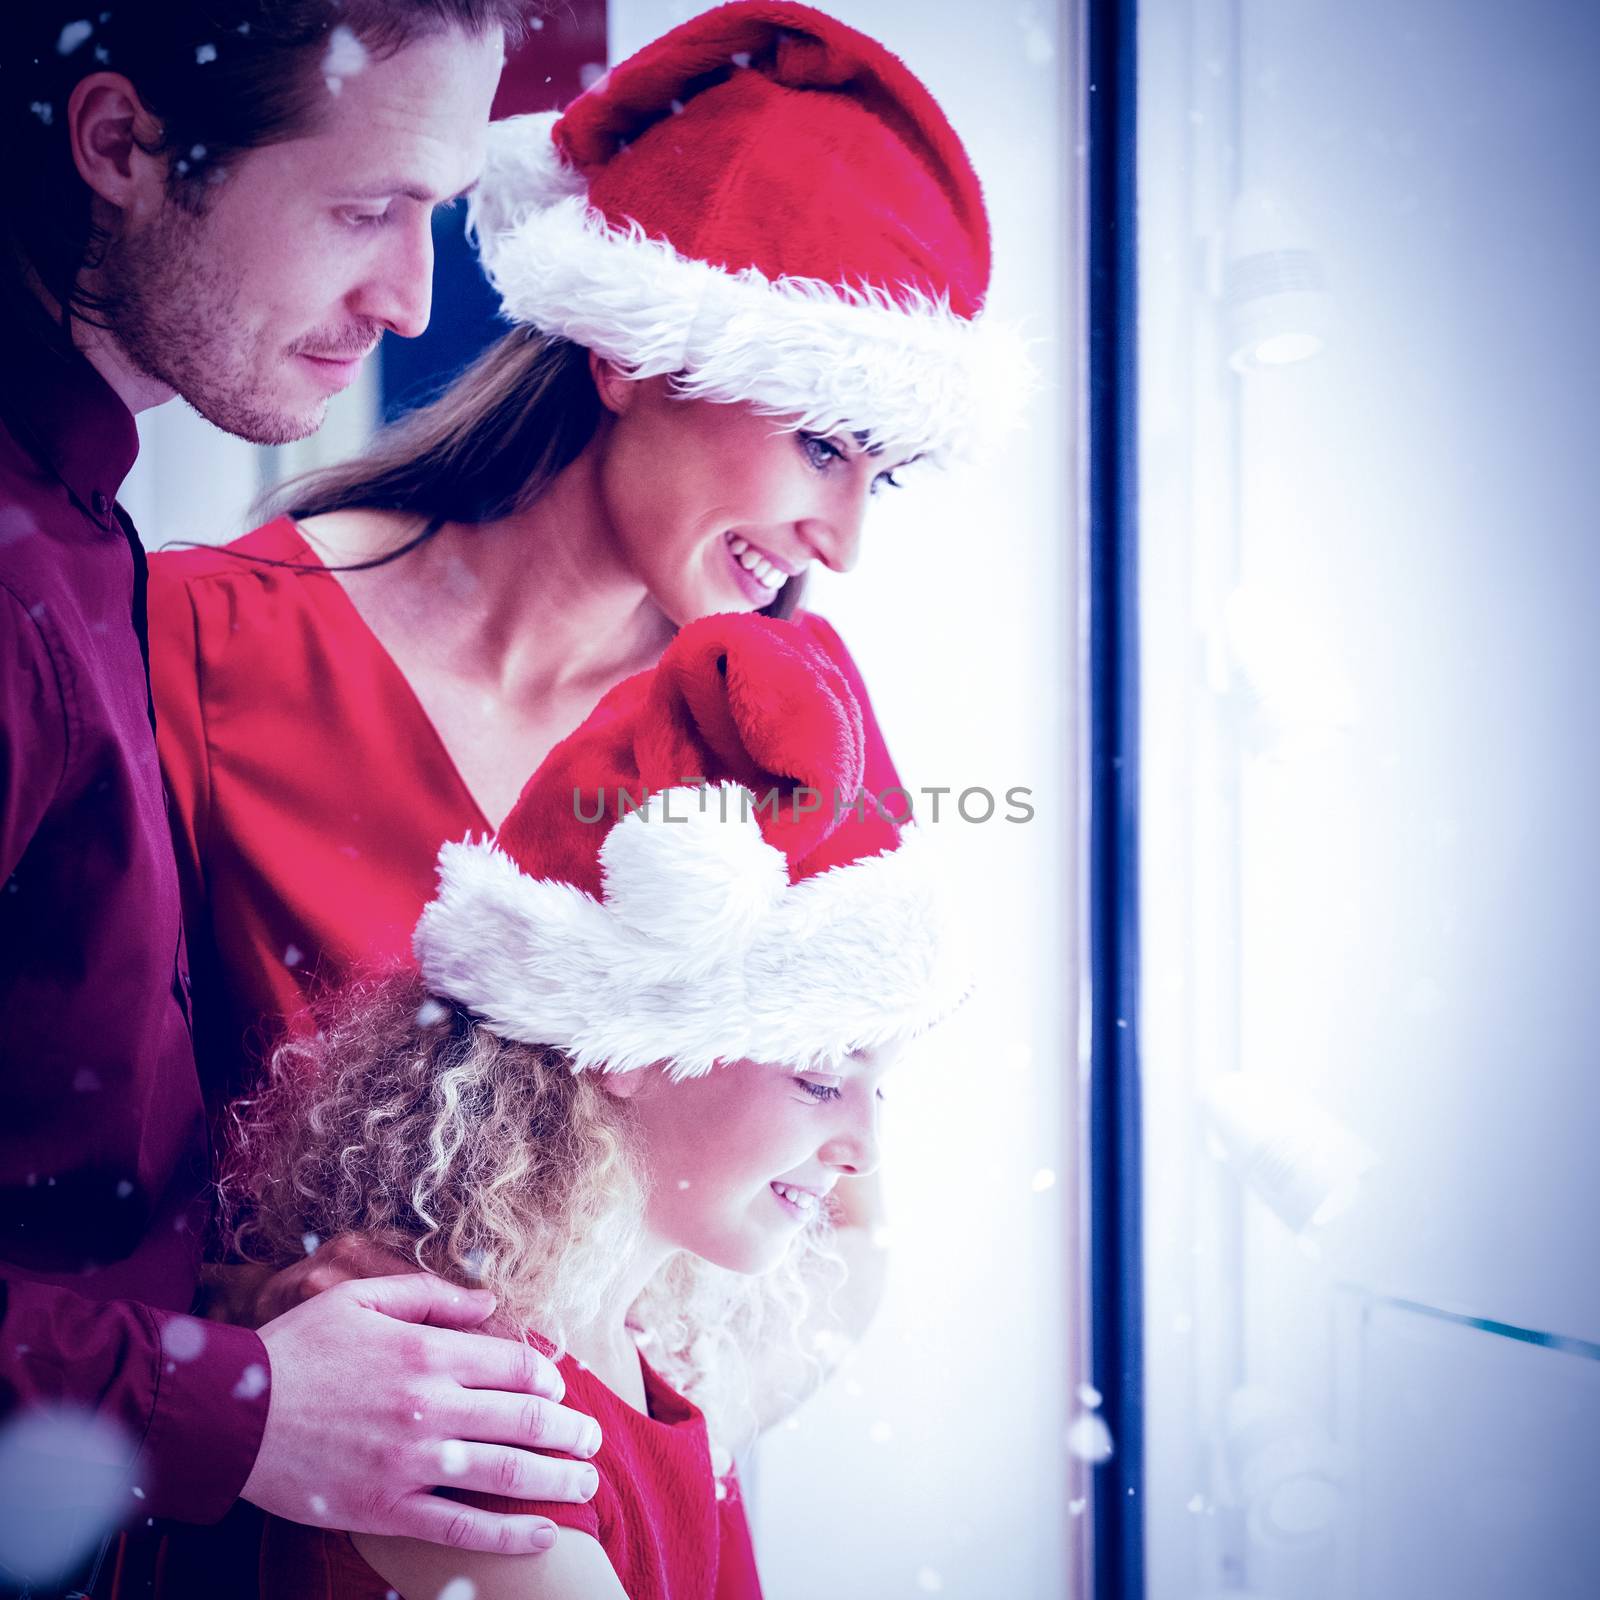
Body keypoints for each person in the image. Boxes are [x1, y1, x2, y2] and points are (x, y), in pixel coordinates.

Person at [144, 0, 1022, 1310]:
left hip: (614, 1499)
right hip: (277, 1500)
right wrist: (246, 1336)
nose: (837, 542)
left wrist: (618, 1381)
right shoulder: (201, 645)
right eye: (823, 445)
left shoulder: (790, 728)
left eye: (876, 479)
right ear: (626, 350)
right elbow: (72, 1186)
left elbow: (833, 1225)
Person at [0, 6, 604, 1593]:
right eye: (364, 208)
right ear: (120, 145)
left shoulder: (74, 526)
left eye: (439, 212)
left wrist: (237, 1309)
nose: (410, 298)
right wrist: (236, 1406)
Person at [221, 610, 971, 1599]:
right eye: (821, 1077)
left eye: (884, 1085)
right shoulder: (467, 1407)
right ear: (626, 1046)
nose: (863, 1149)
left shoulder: (649, 1348)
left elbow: (857, 1254)